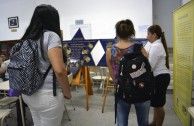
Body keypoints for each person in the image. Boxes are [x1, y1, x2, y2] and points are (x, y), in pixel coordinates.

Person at [20, 4, 72, 126]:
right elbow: (59, 70)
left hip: (28, 93)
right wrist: (67, 92)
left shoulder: (26, 38)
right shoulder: (51, 36)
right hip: (48, 95)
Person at [106, 19, 150, 126]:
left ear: (117, 33)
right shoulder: (140, 48)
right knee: (143, 122)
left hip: (122, 90)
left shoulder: (110, 51)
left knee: (121, 123)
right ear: (132, 33)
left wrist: (117, 81)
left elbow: (111, 71)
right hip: (141, 88)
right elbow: (147, 68)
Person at [146, 25, 170, 126]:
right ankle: (154, 122)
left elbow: (150, 66)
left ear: (154, 35)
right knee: (156, 103)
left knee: (159, 105)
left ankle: (158, 124)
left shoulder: (156, 47)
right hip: (159, 77)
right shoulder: (155, 45)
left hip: (160, 78)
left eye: (148, 34)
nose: (147, 36)